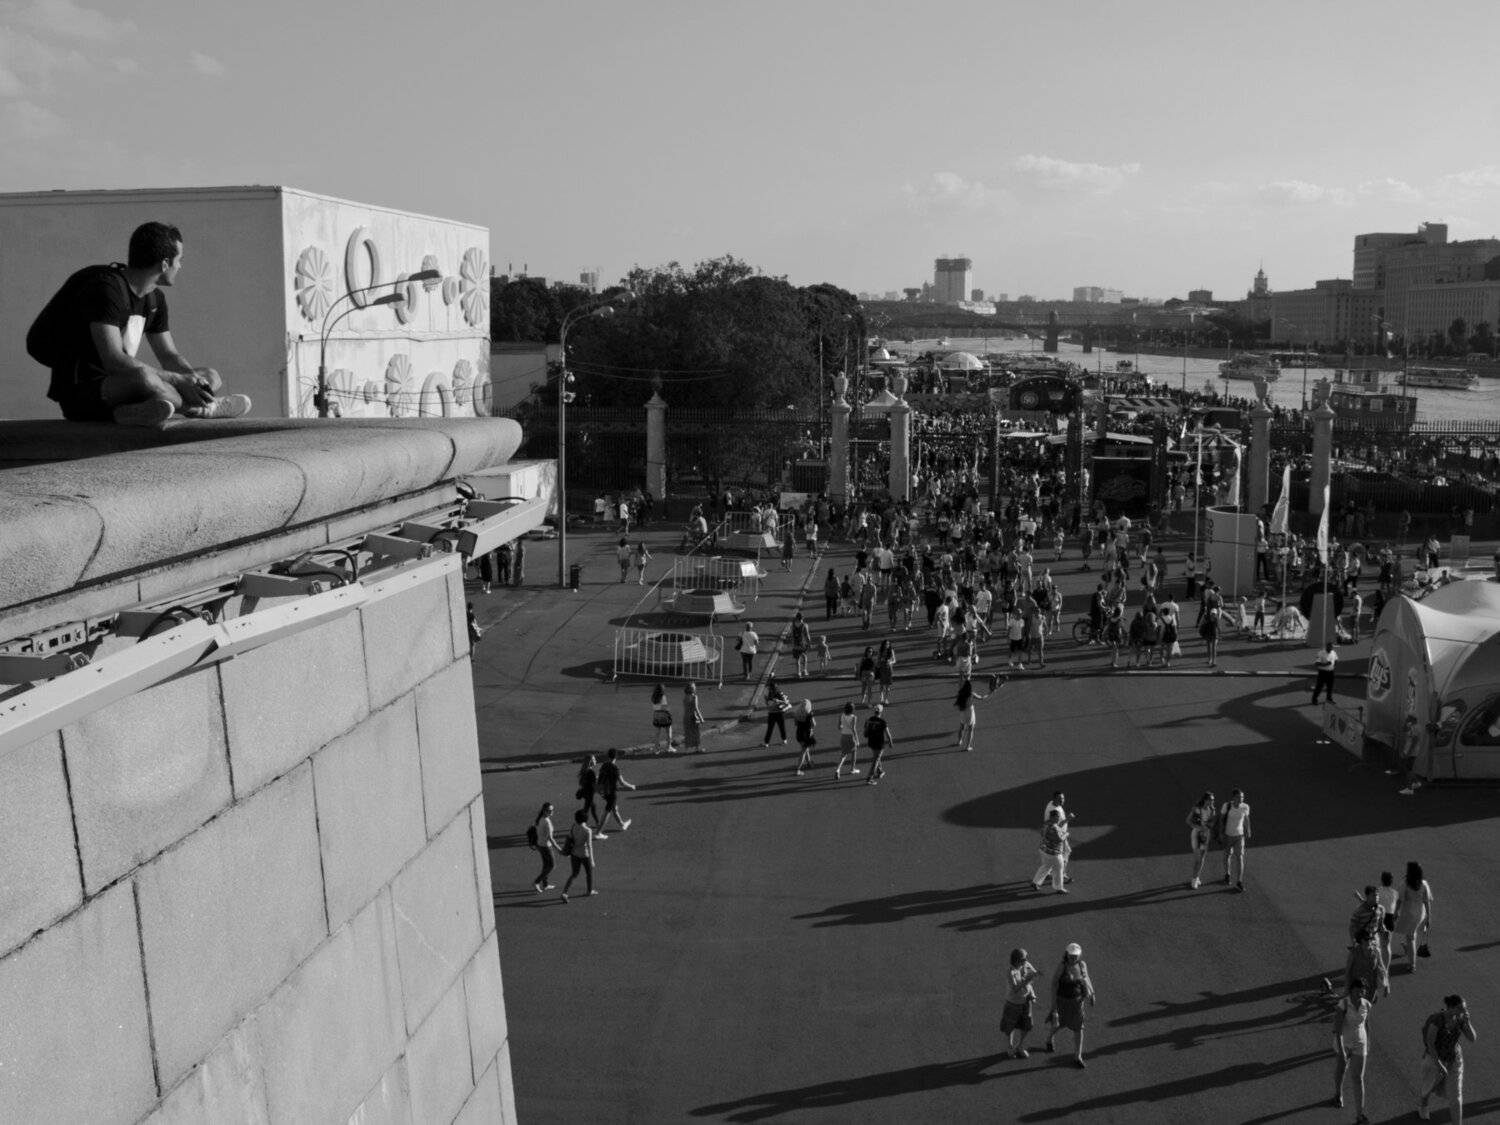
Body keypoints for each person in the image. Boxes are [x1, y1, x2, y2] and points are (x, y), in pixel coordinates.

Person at [30, 221, 251, 426]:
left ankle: (130, 413)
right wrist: (178, 380)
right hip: (85, 392)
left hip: (124, 389)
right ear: (165, 264)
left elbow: (168, 355)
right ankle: (203, 408)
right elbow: (114, 360)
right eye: (179, 260)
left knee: (210, 376)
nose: (180, 266)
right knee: (145, 378)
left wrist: (192, 380)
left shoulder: (154, 298)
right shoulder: (106, 289)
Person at [1419, 994, 1477, 1123]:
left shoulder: (1460, 1019)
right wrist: (1439, 1064)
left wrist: (1468, 1022)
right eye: (1460, 1008)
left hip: (1454, 1059)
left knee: (1456, 1095)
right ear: (1450, 1008)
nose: (1463, 1011)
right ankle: (1423, 1104)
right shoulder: (1437, 1020)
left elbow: (1472, 1038)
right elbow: (1430, 1043)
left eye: (1464, 1009)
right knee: (1429, 1086)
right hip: (1434, 1058)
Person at [1043, 943, 1095, 1067]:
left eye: (1076, 955)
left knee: (1079, 1028)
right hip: (1062, 1001)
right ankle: (1049, 1038)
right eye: (1071, 955)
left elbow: (1086, 978)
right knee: (1059, 1024)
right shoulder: (1062, 966)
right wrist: (1053, 1005)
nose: (1073, 958)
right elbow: (1054, 984)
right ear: (1067, 954)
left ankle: (1078, 1056)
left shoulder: (1082, 965)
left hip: (1077, 1002)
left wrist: (1092, 993)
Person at [1331, 977, 1373, 1121]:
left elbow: (1366, 1024)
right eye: (1357, 991)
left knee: (1358, 1077)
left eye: (1362, 991)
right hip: (1344, 1041)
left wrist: (1368, 1042)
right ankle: (1338, 1094)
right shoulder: (1343, 1005)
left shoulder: (1367, 1005)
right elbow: (1338, 1029)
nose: (1359, 994)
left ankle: (1360, 1114)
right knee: (1341, 1069)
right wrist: (1342, 1050)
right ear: (1351, 990)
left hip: (1360, 1042)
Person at [1395, 861, 1434, 974]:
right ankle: (1408, 950)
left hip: (1408, 913)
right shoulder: (1424, 884)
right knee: (1412, 933)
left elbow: (1399, 900)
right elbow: (1427, 902)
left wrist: (1396, 912)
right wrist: (1429, 917)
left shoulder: (1405, 884)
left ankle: (1412, 964)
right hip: (1420, 913)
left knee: (1410, 937)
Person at [1003, 948, 1040, 1059]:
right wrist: (1026, 980)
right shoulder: (1010, 972)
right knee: (1010, 1026)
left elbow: (1033, 975)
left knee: (1026, 1025)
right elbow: (1015, 988)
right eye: (1023, 959)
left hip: (1025, 1001)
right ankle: (1009, 1047)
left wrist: (1032, 992)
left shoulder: (1026, 964)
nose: (1026, 960)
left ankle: (1020, 1046)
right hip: (1013, 1003)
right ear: (1016, 960)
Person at [559, 809, 596, 902]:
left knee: (574, 874)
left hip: (574, 853)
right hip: (584, 854)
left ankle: (564, 892)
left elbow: (570, 838)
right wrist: (592, 860)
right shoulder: (588, 830)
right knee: (589, 873)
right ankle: (589, 891)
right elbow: (589, 846)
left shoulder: (574, 826)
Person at [596, 748, 634, 836]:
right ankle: (598, 832)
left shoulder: (604, 765)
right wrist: (631, 786)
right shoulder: (615, 768)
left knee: (614, 808)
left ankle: (622, 824)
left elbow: (600, 780)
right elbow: (622, 782)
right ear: (616, 757)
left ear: (608, 756)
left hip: (605, 791)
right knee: (607, 812)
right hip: (612, 792)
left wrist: (599, 791)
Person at [1219, 788, 1251, 891]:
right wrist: (1220, 833)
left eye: (1242, 797)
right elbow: (1221, 819)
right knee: (1227, 855)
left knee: (1240, 857)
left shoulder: (1245, 807)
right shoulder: (1227, 806)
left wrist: (1248, 830)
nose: (1241, 799)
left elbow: (1246, 819)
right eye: (1239, 797)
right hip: (1228, 835)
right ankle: (1227, 874)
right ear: (1233, 798)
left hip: (1239, 836)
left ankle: (1239, 881)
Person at [1031, 809, 1068, 893]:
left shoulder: (1047, 823)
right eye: (1057, 817)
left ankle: (1035, 882)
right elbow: (1059, 839)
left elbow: (1042, 833)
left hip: (1043, 849)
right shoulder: (1054, 827)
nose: (1059, 818)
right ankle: (1059, 888)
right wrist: (1065, 834)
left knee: (1046, 866)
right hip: (1053, 852)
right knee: (1059, 868)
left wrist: (1067, 820)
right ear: (1053, 817)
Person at [1186, 791, 1217, 889]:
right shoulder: (1197, 809)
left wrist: (1210, 826)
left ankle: (1197, 876)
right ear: (1205, 800)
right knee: (1198, 859)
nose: (1212, 801)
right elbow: (1188, 821)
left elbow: (1212, 823)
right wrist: (1199, 827)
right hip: (1196, 835)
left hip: (1205, 836)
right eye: (1210, 800)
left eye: (1213, 800)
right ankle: (1194, 879)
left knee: (1202, 858)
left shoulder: (1212, 810)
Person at [954, 674, 988, 752]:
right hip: (970, 712)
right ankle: (968, 746)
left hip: (963, 712)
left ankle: (959, 741)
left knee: (962, 726)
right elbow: (981, 697)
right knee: (971, 729)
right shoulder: (972, 694)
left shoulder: (960, 693)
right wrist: (988, 694)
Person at [531, 802, 560, 893]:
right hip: (546, 846)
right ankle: (536, 882)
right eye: (549, 810)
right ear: (544, 811)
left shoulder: (540, 819)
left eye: (552, 809)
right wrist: (559, 849)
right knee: (552, 865)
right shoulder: (547, 821)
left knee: (546, 865)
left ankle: (545, 884)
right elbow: (550, 838)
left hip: (540, 845)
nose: (551, 811)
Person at [863, 704, 892, 785]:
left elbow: (865, 733)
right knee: (876, 759)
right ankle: (870, 777)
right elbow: (888, 734)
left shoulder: (869, 720)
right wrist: (890, 742)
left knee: (876, 756)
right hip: (879, 744)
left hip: (871, 742)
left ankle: (880, 771)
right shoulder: (883, 722)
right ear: (881, 712)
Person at [834, 702, 861, 778]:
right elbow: (854, 729)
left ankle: (838, 770)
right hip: (851, 737)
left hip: (843, 737)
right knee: (854, 752)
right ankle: (852, 769)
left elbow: (839, 727)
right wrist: (857, 740)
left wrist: (843, 727)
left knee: (843, 755)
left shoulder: (841, 715)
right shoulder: (854, 717)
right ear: (852, 709)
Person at [762, 677, 791, 746]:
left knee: (770, 728)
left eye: (769, 688)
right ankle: (784, 740)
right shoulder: (778, 693)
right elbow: (786, 702)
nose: (768, 689)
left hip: (772, 714)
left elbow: (768, 704)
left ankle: (766, 743)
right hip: (779, 713)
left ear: (771, 688)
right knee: (781, 727)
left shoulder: (772, 695)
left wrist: (777, 701)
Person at [576, 754, 601, 829]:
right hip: (589, 793)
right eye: (594, 759)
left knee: (591, 807)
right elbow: (593, 784)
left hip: (586, 793)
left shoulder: (586, 770)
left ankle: (596, 823)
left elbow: (585, 781)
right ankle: (583, 824)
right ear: (590, 761)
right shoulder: (590, 772)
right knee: (588, 809)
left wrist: (596, 777)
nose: (596, 760)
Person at [793, 700, 817, 776]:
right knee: (803, 751)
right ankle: (798, 770)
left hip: (799, 733)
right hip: (806, 734)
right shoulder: (810, 714)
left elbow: (795, 723)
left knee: (805, 748)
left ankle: (809, 762)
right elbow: (814, 724)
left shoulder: (797, 713)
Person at [650, 683, 675, 752]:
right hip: (663, 715)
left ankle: (656, 748)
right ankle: (668, 747)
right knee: (669, 731)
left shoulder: (653, 697)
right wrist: (669, 710)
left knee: (657, 732)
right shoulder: (663, 697)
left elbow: (654, 707)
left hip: (656, 715)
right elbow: (664, 707)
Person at [682, 682, 705, 753]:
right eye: (694, 687)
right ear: (692, 689)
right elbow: (696, 708)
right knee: (696, 733)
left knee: (688, 733)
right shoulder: (694, 697)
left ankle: (687, 749)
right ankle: (697, 748)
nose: (695, 688)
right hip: (693, 717)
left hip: (686, 717)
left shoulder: (685, 697)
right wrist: (701, 718)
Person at [790, 611, 812, 679]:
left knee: (797, 659)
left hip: (795, 644)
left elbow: (792, 635)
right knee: (804, 657)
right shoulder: (804, 625)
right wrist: (809, 643)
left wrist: (792, 643)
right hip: (802, 644)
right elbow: (807, 636)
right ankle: (804, 670)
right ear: (802, 618)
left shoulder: (793, 625)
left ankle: (798, 673)